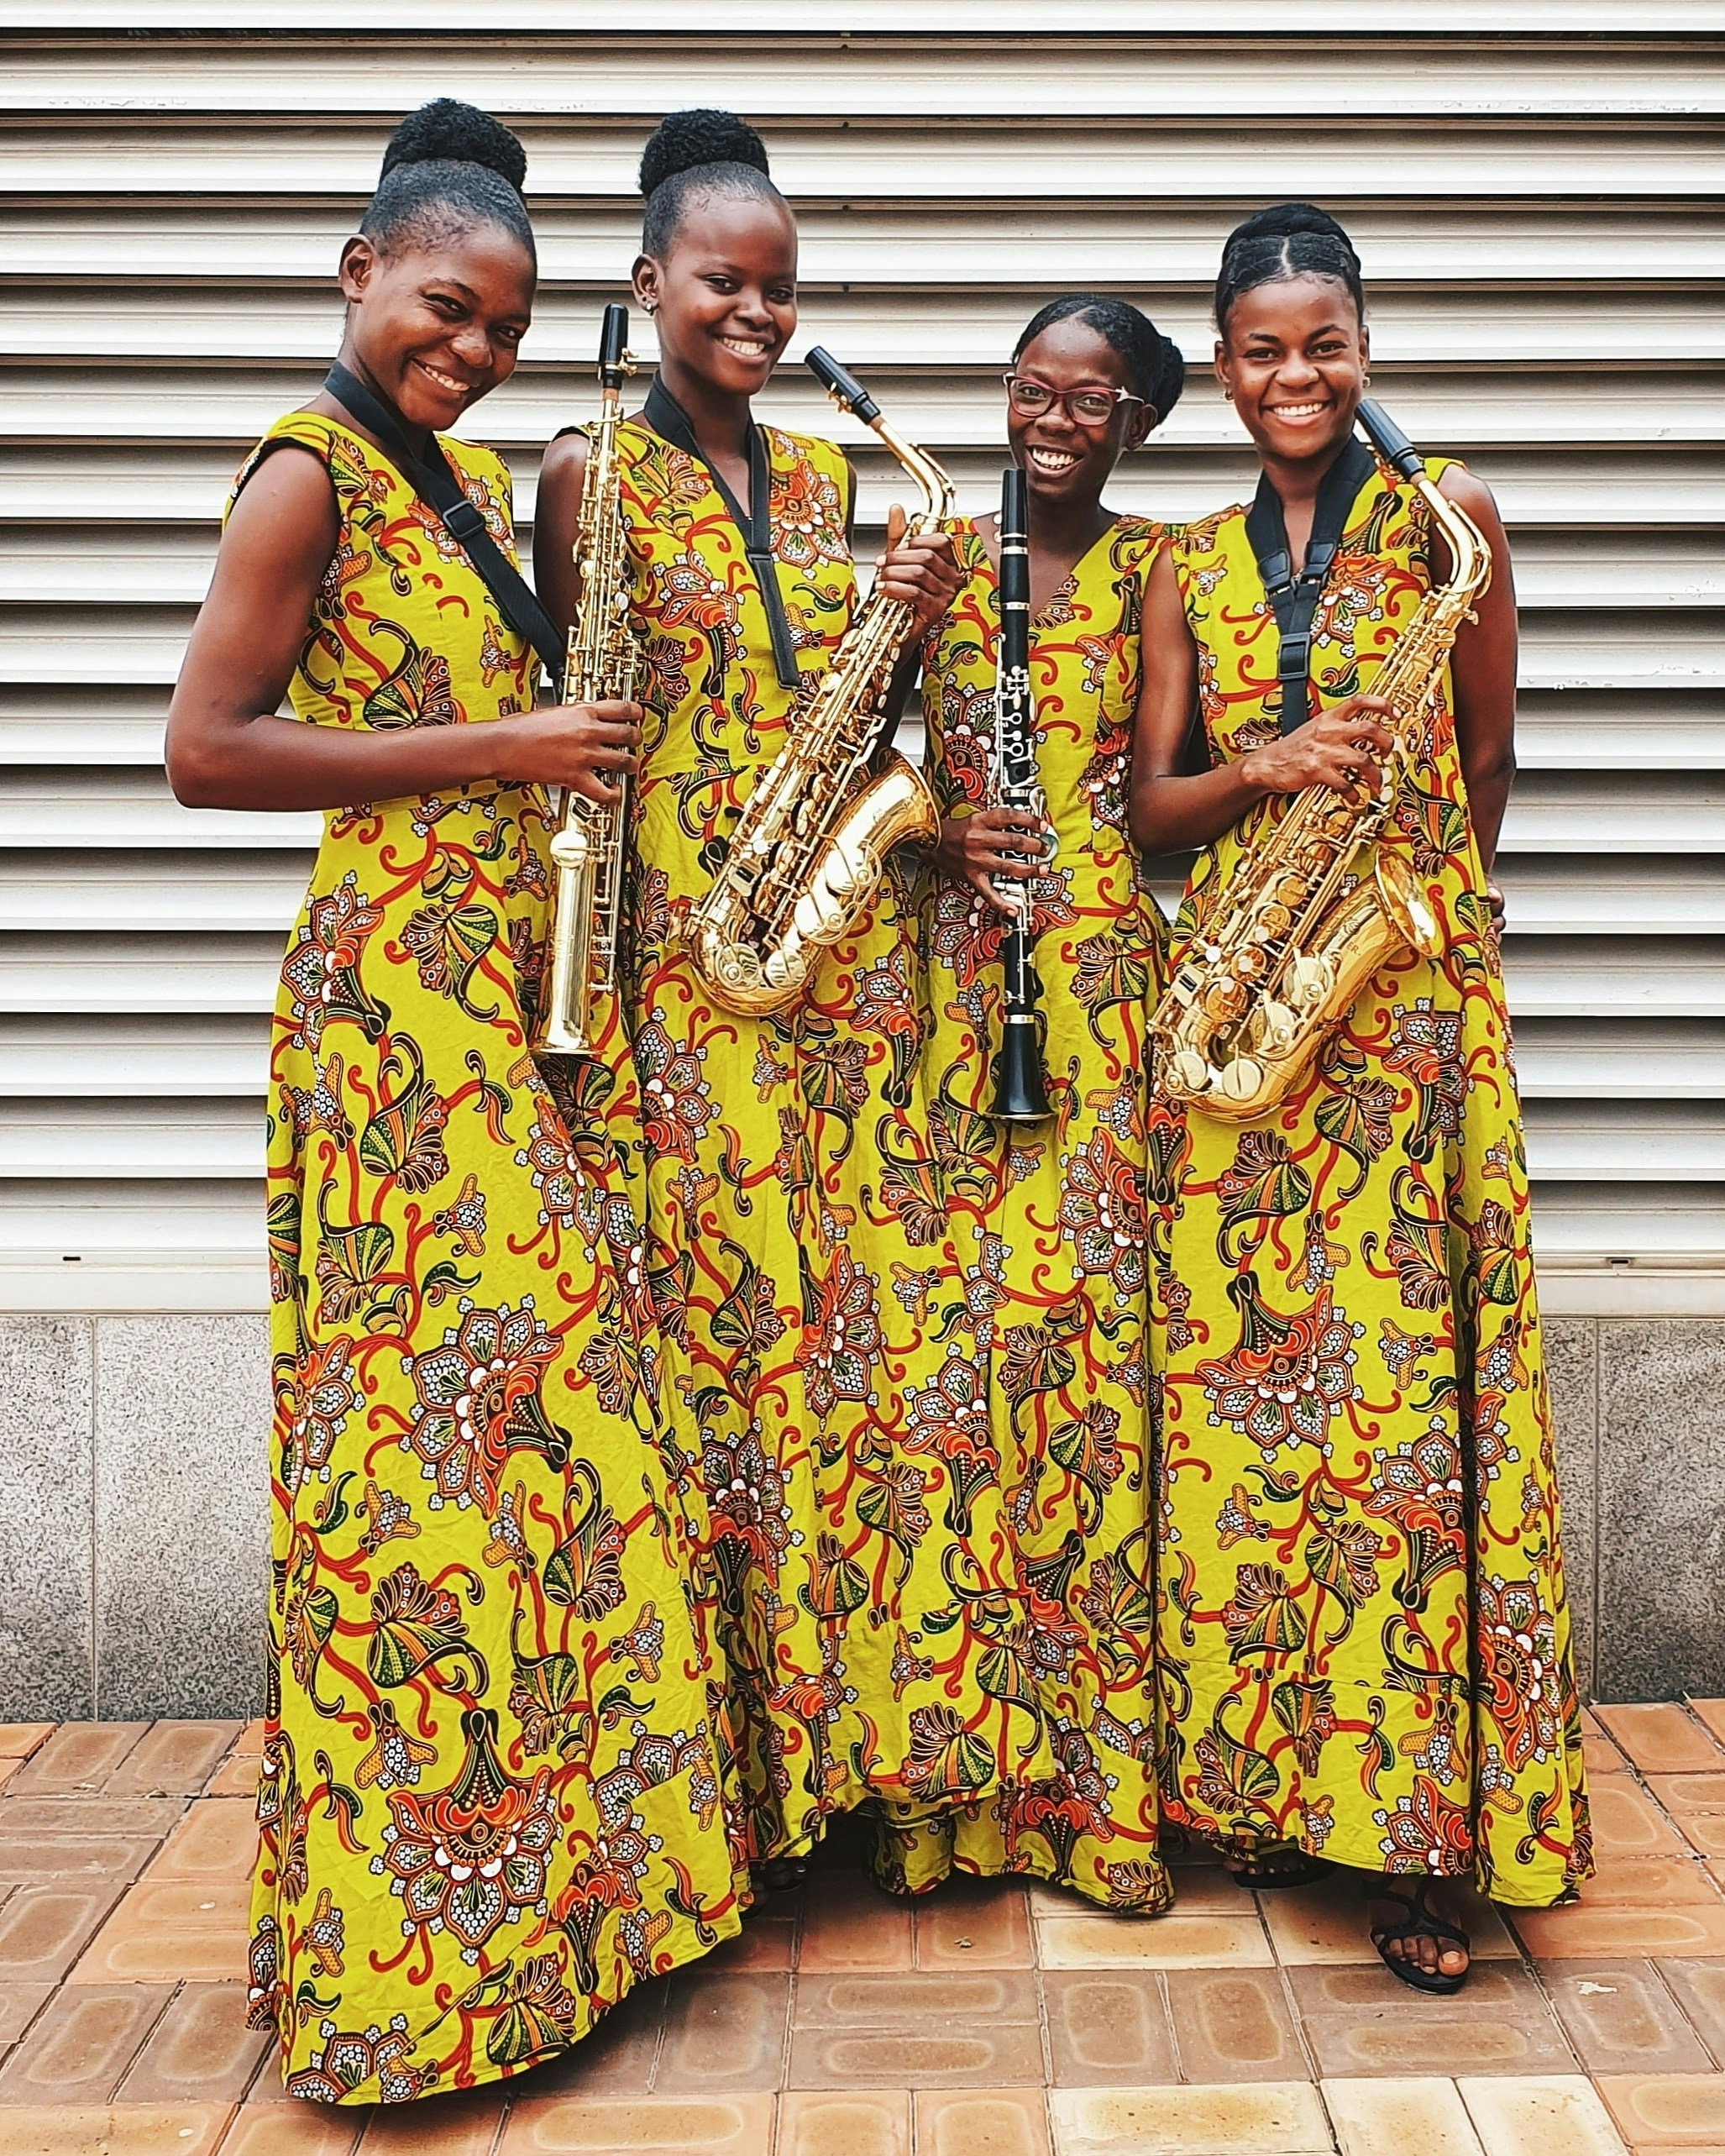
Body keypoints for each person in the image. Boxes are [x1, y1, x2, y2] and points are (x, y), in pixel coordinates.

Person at [165, 99, 743, 2104]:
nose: (471, 351)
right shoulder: (307, 476)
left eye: (498, 327)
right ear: (357, 274)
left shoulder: (457, 479)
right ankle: (411, 1971)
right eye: (441, 309)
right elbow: (205, 754)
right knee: (423, 1482)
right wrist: (505, 741)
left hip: (506, 1014)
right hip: (394, 1042)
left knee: (551, 1451)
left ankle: (557, 1922)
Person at [535, 108, 1041, 1892]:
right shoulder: (585, 470)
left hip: (848, 960)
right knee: (724, 1369)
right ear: (647, 278)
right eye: (722, 281)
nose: (755, 314)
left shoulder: (833, 485)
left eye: (780, 289)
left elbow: (866, 722)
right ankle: (745, 1793)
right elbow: (574, 726)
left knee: (862, 1370)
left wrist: (902, 621)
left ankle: (873, 1779)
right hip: (692, 971)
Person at [1130, 202, 1590, 1989]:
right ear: (1223, 364)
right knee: (1253, 1425)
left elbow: (1485, 757)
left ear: (1364, 346)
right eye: (1258, 350)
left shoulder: (1449, 518)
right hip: (1248, 1048)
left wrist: (1409, 943)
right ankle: (1266, 1787)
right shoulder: (1181, 557)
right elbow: (1150, 808)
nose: (1292, 377)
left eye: (1322, 344)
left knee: (1408, 1436)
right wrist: (1265, 769)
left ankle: (1430, 1841)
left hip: (1400, 1039)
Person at [904, 296, 1184, 1905]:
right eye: (1027, 389)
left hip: (1083, 988)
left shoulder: (1158, 569)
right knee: (939, 1388)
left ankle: (1092, 1802)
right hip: (939, 982)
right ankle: (934, 1791)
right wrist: (942, 831)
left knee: (1074, 1385)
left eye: (1088, 400)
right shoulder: (936, 541)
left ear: (1136, 420)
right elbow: (846, 742)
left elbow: (1152, 803)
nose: (1050, 419)